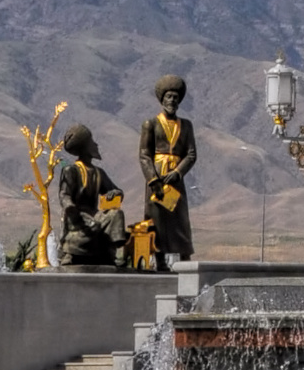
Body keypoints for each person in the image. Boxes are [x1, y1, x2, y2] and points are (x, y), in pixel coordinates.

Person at [140, 76, 198, 265]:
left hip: (175, 179)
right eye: (169, 97)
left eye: (175, 97)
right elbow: (144, 154)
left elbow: (191, 154)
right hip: (157, 178)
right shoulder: (151, 124)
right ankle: (158, 261)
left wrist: (178, 172)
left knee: (179, 220)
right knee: (156, 219)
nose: (172, 100)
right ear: (162, 99)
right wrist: (153, 179)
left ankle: (185, 257)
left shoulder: (187, 125)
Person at [55, 126, 129, 268]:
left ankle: (110, 253)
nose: (95, 144)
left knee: (116, 214)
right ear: (85, 147)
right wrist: (70, 207)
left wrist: (115, 193)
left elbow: (115, 190)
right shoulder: (71, 170)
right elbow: (64, 194)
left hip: (95, 214)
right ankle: (71, 252)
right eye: (91, 142)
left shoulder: (98, 172)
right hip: (77, 216)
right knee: (90, 227)